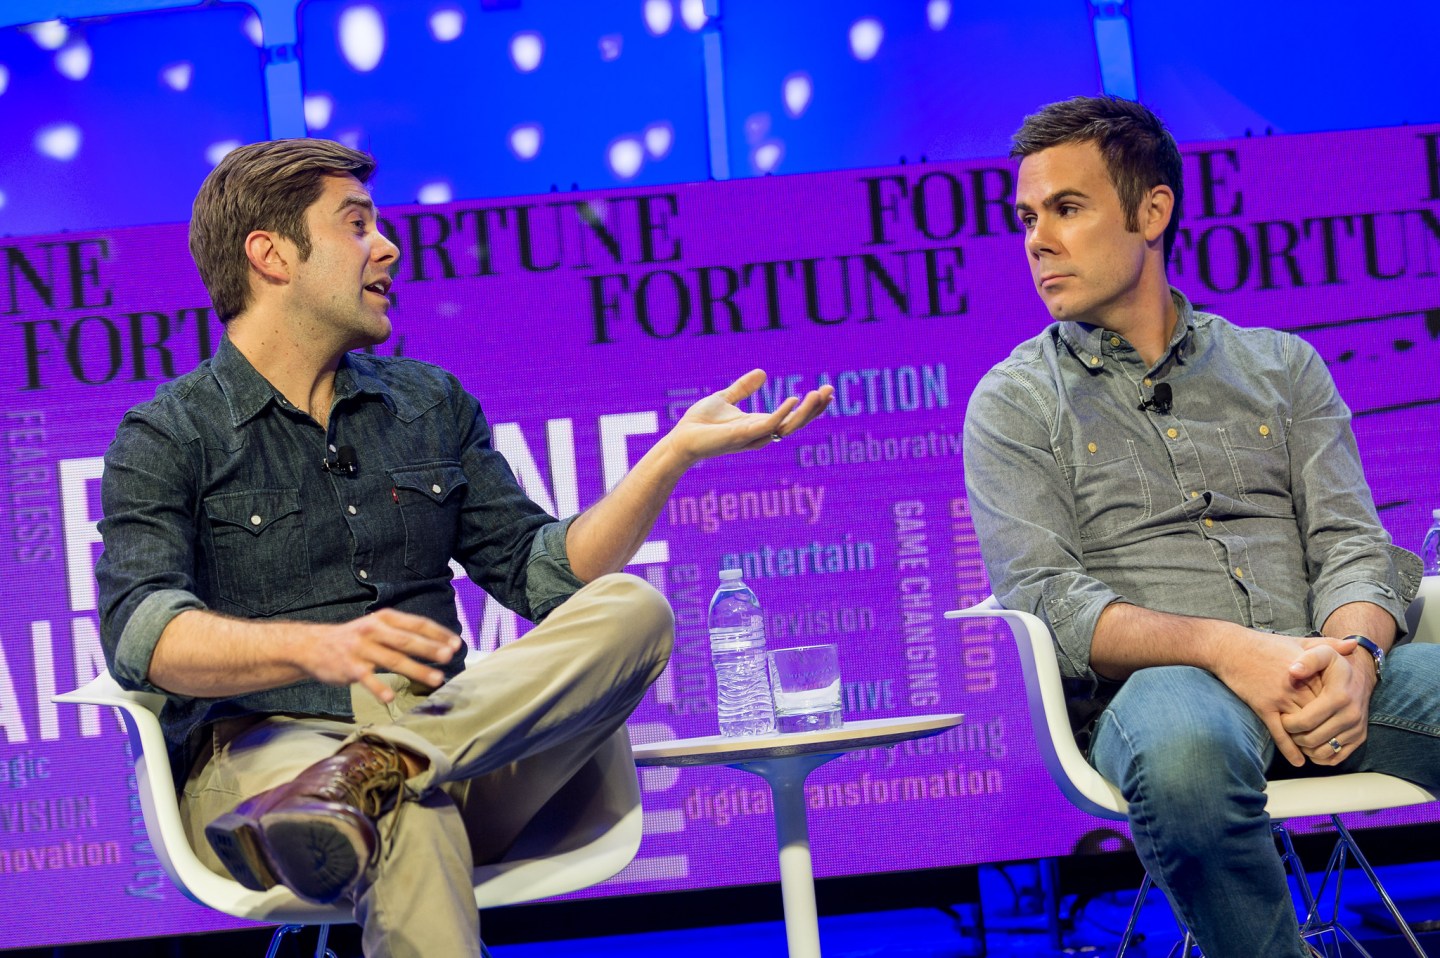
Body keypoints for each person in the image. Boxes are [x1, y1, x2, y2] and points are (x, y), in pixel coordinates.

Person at [95, 138, 833, 957]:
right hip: (268, 765)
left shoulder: (429, 402)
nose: (388, 247)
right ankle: (374, 776)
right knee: (399, 807)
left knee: (633, 607)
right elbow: (142, 634)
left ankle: (381, 763)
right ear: (271, 256)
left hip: (451, 733)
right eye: (356, 225)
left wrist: (671, 456)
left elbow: (542, 572)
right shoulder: (170, 434)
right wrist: (317, 647)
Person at [962, 96, 1438, 957]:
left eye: (1067, 209)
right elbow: (1048, 599)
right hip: (1167, 693)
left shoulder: (1282, 366)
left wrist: (1358, 656)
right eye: (1028, 218)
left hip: (1325, 667)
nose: (1038, 240)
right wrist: (1229, 650)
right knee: (1185, 760)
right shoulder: (1014, 402)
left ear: (1152, 212)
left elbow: (1351, 543)